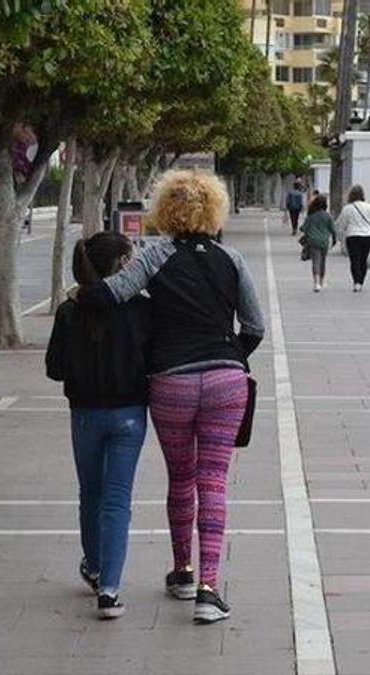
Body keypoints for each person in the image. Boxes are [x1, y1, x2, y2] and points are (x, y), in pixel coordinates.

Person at [77, 169, 265, 625]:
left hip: (171, 381)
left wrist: (77, 294)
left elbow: (112, 293)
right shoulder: (231, 259)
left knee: (181, 477)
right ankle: (208, 588)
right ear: (213, 209)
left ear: (164, 209)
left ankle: (181, 572)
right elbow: (254, 326)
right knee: (213, 481)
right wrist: (228, 357)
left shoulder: (153, 255)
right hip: (225, 379)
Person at [47, 231, 151, 620]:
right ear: (123, 264)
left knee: (90, 493)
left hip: (85, 413)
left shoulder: (69, 311)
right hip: (129, 413)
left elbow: (53, 369)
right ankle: (109, 590)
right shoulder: (141, 309)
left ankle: (93, 566)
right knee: (118, 499)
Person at [336, 184, 370, 292]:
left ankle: (356, 282)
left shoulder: (347, 209)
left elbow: (341, 225)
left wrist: (339, 237)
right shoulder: (368, 207)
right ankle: (361, 281)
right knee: (363, 260)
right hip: (367, 237)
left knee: (355, 260)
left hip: (352, 237)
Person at [300, 194, 336, 292]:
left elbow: (303, 228)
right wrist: (334, 240)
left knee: (316, 261)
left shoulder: (311, 216)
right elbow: (333, 229)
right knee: (323, 262)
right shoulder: (327, 216)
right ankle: (321, 281)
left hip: (313, 241)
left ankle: (316, 283)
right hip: (324, 242)